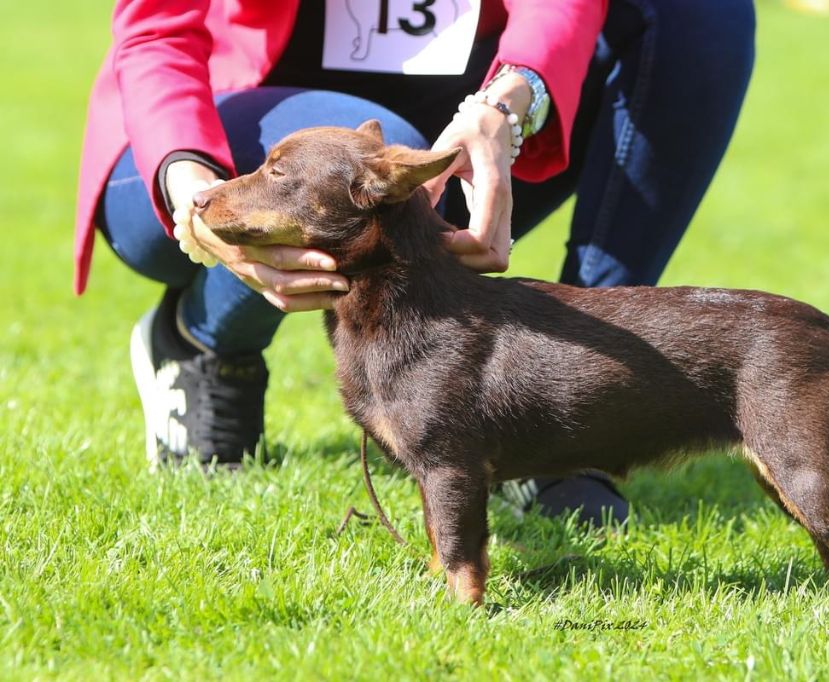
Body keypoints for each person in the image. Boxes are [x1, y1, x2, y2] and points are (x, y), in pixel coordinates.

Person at [75, 0, 756, 526]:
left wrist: (507, 103)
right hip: (217, 122)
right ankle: (203, 337)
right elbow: (157, 32)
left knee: (699, 12)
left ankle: (572, 410)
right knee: (380, 160)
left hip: (462, 101)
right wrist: (193, 191)